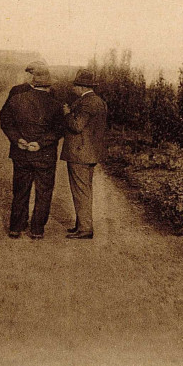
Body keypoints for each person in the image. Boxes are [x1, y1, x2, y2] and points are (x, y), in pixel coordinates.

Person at [0, 68, 64, 239]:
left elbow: (5, 121)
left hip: (21, 154)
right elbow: (59, 130)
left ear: (33, 82)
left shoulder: (16, 100)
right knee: (44, 192)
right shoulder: (56, 105)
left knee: (20, 191)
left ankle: (16, 227)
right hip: (45, 155)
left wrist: (17, 139)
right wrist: (41, 143)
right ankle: (37, 230)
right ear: (49, 85)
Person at [61, 69, 107, 240]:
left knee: (80, 191)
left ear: (81, 87)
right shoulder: (99, 101)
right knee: (85, 190)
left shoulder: (86, 103)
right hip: (90, 152)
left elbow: (77, 125)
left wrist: (66, 113)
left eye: (75, 85)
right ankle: (82, 224)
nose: (73, 88)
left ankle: (85, 228)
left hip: (80, 153)